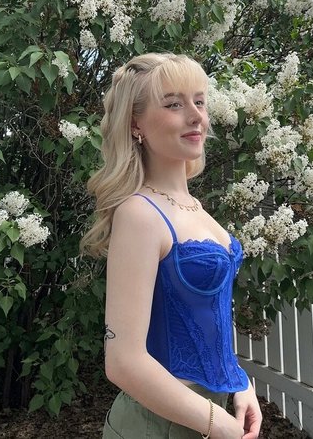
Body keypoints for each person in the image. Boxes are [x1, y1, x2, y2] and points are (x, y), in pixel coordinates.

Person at [82, 53, 262, 438]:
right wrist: (219, 425)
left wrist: (239, 384)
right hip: (159, 424)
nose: (196, 116)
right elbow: (123, 362)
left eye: (199, 101)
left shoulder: (195, 208)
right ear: (136, 124)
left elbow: (207, 318)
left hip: (206, 414)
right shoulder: (139, 213)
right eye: (174, 104)